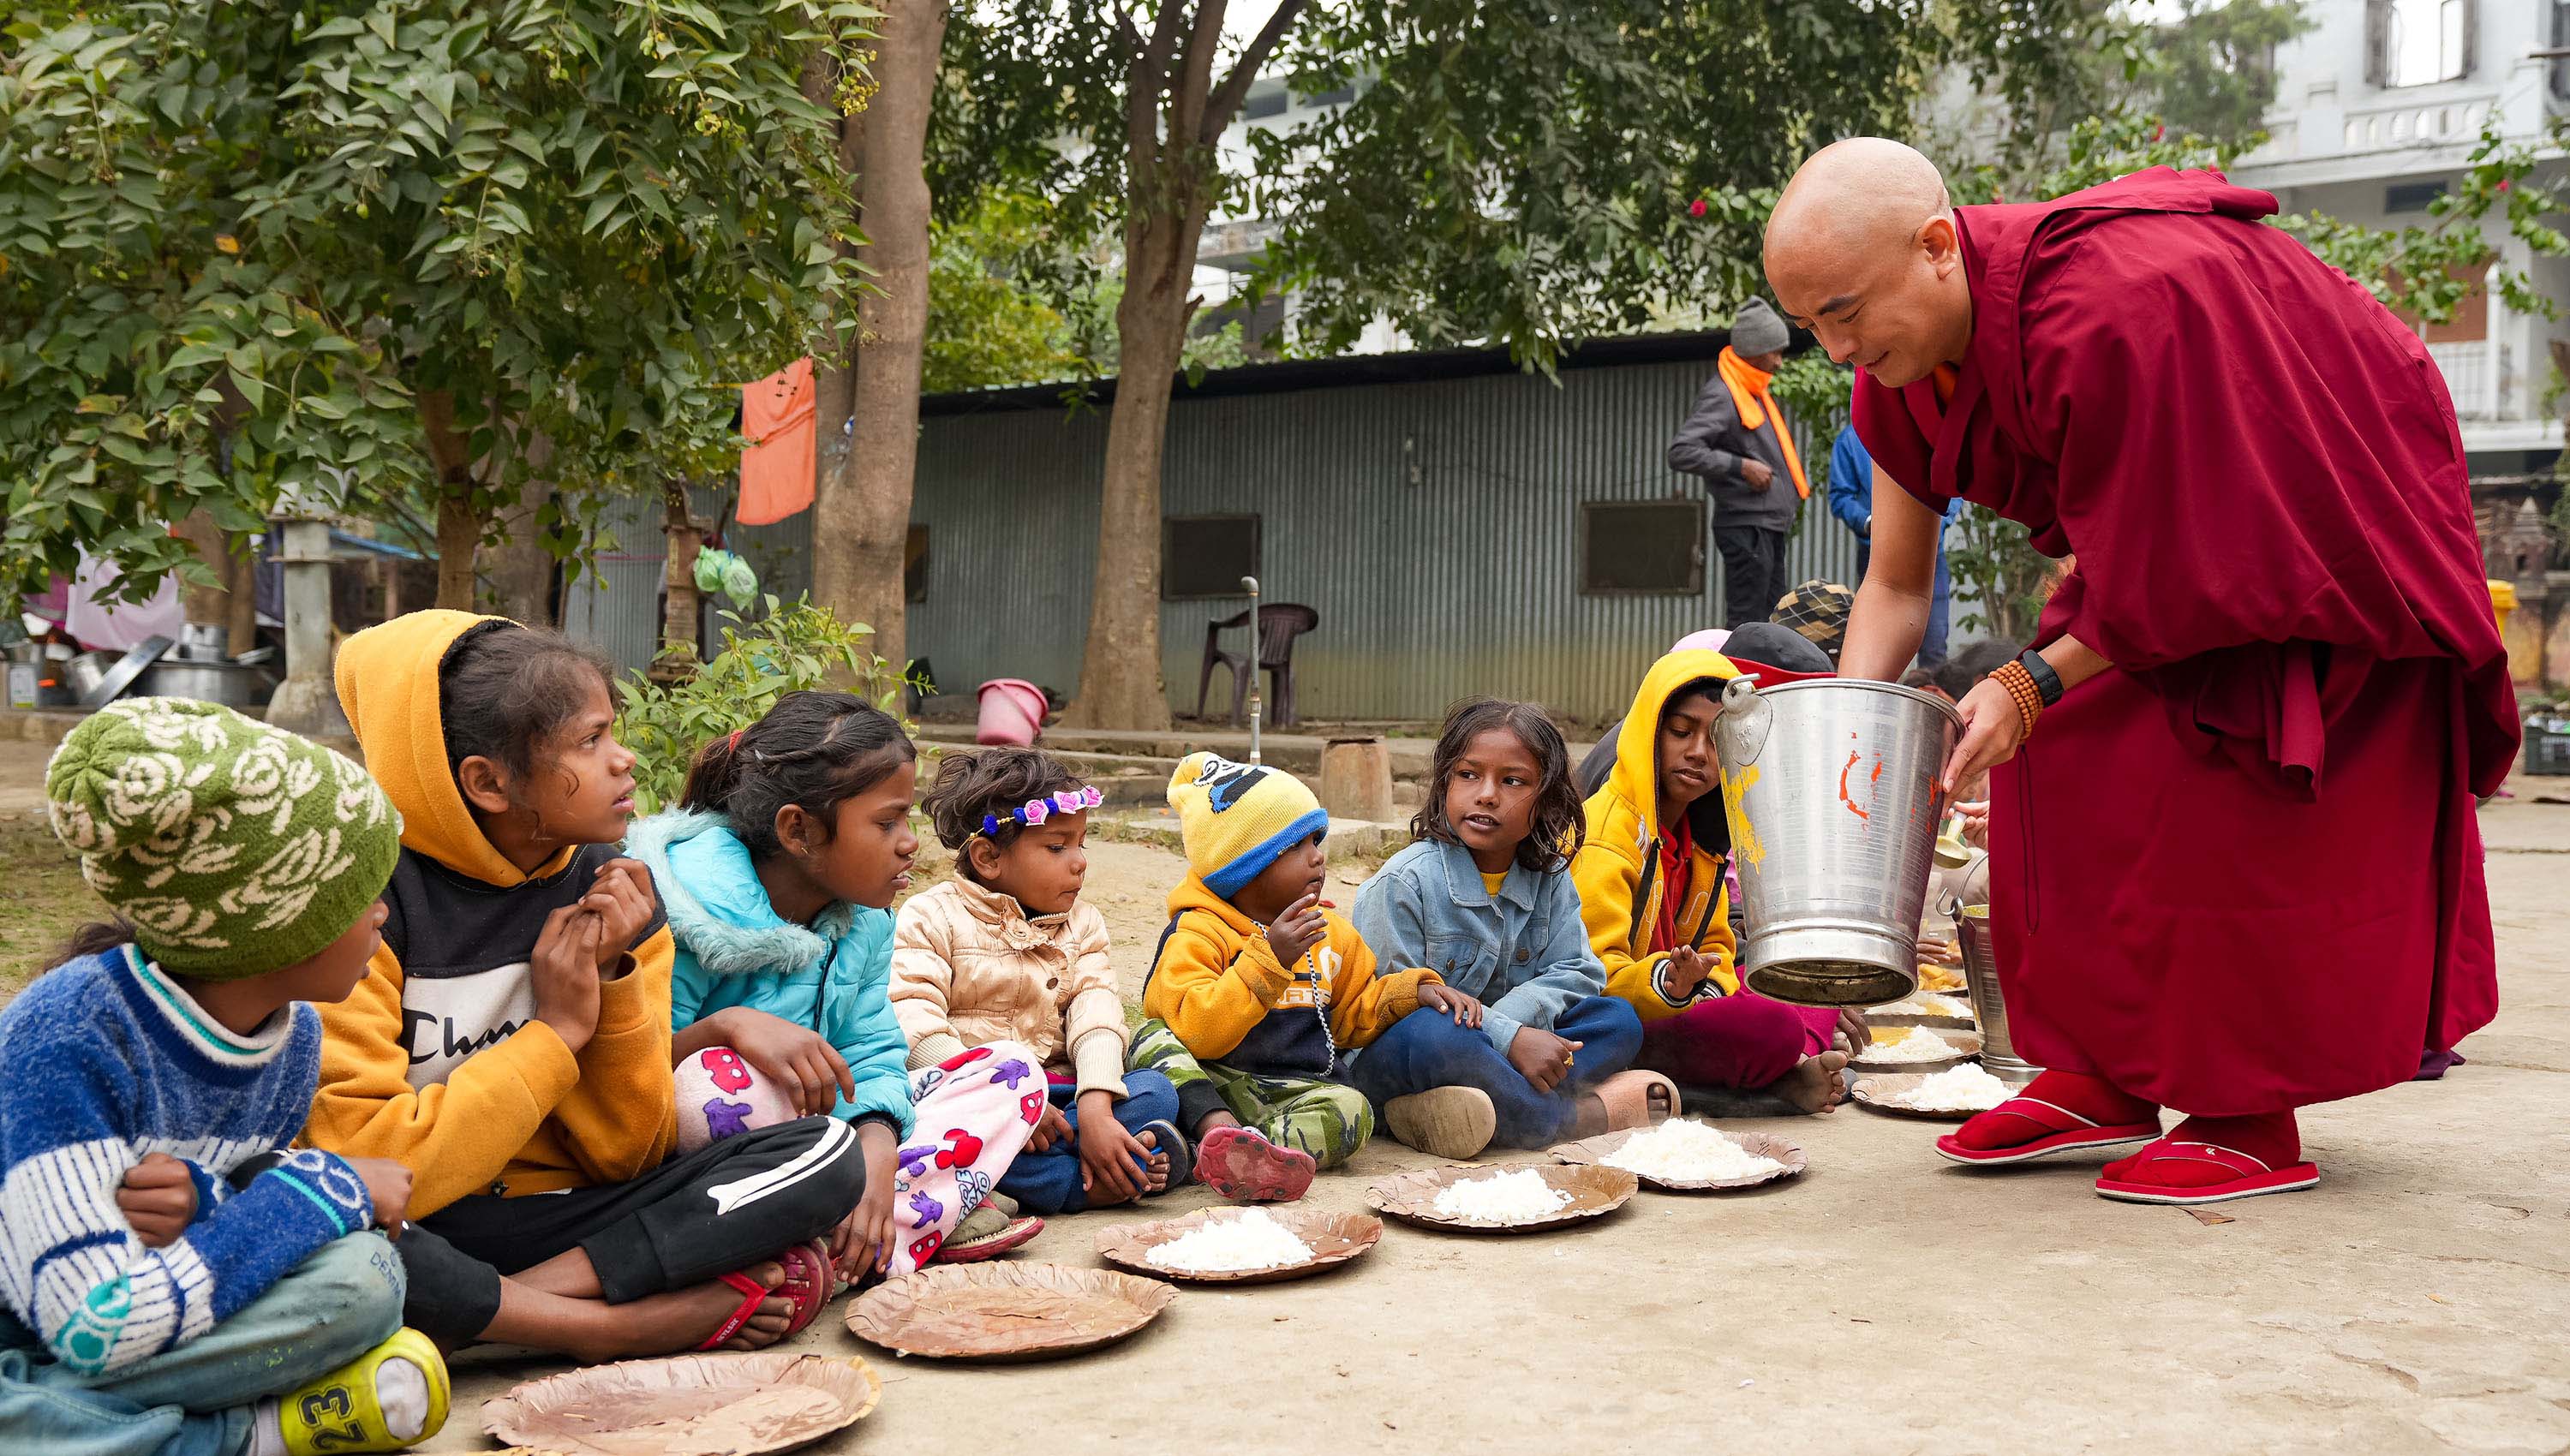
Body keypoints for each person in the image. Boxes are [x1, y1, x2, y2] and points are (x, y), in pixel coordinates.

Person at [1763, 138, 2514, 1205]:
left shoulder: (2113, 311)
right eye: (1812, 326)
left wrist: (2029, 681)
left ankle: (2246, 1113)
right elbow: (1893, 582)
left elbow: (2202, 552)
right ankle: (2100, 1075)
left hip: (2314, 521)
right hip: (2171, 555)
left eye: (1845, 312)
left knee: (2217, 777)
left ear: (1935, 247)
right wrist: (1853, 733)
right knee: (2061, 756)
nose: (1838, 348)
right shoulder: (1895, 377)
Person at [309, 612, 858, 1359]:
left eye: (614, 732)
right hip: (424, 1221)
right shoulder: (368, 914)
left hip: (572, 1216)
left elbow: (627, 1157)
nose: (624, 760)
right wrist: (556, 1034)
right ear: (488, 782)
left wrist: (614, 980)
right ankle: (613, 1325)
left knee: (823, 1153)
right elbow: (366, 1159)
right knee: (335, 1232)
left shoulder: (615, 891)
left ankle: (506, 1311)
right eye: (590, 740)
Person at [0, 699, 450, 1456]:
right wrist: (330, 1186)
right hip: (45, 1324)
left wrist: (207, 1197)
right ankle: (244, 1435)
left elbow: (228, 1210)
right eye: (358, 895)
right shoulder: (66, 1038)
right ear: (276, 921)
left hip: (146, 1316)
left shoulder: (292, 1037)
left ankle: (74, 1422)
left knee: (367, 1276)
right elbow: (92, 1327)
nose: (381, 914)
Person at [631, 693, 1045, 1276]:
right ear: (798, 831)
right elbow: (632, 1075)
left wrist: (876, 1144)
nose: (909, 842)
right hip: (722, 1158)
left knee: (1012, 1072)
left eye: (906, 819)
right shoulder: (689, 913)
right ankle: (903, 1220)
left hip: (834, 1129)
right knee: (714, 1086)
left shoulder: (865, 921)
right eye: (886, 822)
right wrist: (726, 1027)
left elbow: (872, 1051)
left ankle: (855, 1229)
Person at [1349, 701, 1676, 1158]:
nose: (1486, 795)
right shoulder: (1402, 884)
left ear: (1546, 801)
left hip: (1494, 1050)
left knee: (1617, 1019)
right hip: (1410, 1053)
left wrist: (1512, 1032)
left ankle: (1467, 1108)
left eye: (1513, 781)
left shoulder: (1549, 877)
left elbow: (1579, 971)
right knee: (1435, 1034)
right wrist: (1510, 1038)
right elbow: (1391, 1005)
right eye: (1468, 775)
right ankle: (1562, 1118)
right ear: (1444, 784)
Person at [890, 749, 1206, 1214]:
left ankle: (1094, 1156)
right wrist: (1008, 1099)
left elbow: (1097, 1014)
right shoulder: (931, 916)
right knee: (924, 1129)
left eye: (1081, 845)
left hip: (1062, 1098)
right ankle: (1095, 1179)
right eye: (1057, 848)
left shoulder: (1083, 923)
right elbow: (913, 1020)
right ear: (988, 857)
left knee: (1155, 1092)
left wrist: (1095, 1105)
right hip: (969, 1099)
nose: (1079, 863)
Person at [1134, 755, 1467, 1190]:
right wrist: (1268, 959)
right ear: (1244, 866)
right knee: (1151, 1038)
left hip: (1291, 1093)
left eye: (1316, 840)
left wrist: (1411, 993)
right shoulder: (1199, 932)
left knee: (1352, 1109)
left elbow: (1352, 1016)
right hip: (1209, 1085)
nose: (1317, 857)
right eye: (1296, 846)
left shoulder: (1332, 935)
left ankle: (1233, 1152)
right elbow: (1194, 1031)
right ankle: (1216, 1130)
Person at [1575, 647, 1858, 1114]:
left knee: (1809, 972)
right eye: (1680, 732)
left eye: (1715, 739)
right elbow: (1591, 977)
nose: (1697, 753)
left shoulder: (1702, 837)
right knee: (1769, 1026)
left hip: (1686, 1002)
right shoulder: (1608, 835)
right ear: (1649, 732)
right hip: (1622, 1014)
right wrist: (1671, 984)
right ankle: (1779, 1074)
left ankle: (1792, 1066)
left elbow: (1719, 950)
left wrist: (1705, 988)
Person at [1670, 298, 1809, 627]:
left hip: (1764, 525)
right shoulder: (1723, 394)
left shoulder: (1751, 391)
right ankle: (1739, 664)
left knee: (1772, 622)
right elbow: (1682, 450)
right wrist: (1740, 467)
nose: (1779, 362)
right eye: (1775, 353)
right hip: (1747, 526)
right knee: (1748, 622)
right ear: (1755, 350)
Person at [1829, 422, 1963, 667]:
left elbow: (1954, 489)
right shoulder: (1850, 439)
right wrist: (1870, 522)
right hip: (1876, 553)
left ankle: (1929, 685)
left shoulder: (1933, 432)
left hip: (1931, 556)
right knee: (1875, 645)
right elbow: (1840, 497)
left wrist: (1932, 526)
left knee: (1935, 645)